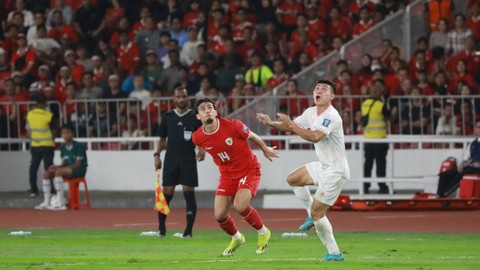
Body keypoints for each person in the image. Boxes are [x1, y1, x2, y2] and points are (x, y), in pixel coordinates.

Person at [256, 80, 349, 262]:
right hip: (323, 166)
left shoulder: (331, 116)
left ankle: (333, 250)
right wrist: (271, 123)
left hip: (336, 172)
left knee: (318, 214)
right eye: (316, 88)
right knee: (293, 179)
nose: (319, 91)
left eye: (324, 89)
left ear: (332, 96)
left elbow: (315, 137)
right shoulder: (310, 112)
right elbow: (290, 126)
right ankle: (312, 218)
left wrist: (291, 125)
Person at [192, 98, 278, 256]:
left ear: (216, 112)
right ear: (199, 116)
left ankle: (263, 232)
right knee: (219, 215)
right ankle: (237, 238)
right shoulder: (197, 137)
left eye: (210, 107)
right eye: (203, 109)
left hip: (248, 169)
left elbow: (252, 136)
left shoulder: (233, 125)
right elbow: (204, 144)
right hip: (227, 174)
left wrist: (265, 148)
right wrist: (202, 151)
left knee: (240, 205)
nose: (207, 110)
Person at [154, 88, 205, 238]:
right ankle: (161, 229)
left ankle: (188, 232)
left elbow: (201, 136)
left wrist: (202, 150)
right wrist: (157, 155)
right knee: (167, 193)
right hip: (171, 158)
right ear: (174, 99)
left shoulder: (195, 117)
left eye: (184, 96)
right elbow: (162, 139)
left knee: (188, 193)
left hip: (188, 158)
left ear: (188, 98)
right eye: (179, 97)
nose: (181, 99)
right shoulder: (168, 116)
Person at [35, 124, 88, 210]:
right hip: (67, 169)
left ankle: (60, 202)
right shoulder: (63, 146)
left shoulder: (78, 146)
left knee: (58, 172)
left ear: (72, 134)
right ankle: (46, 201)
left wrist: (59, 169)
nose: (65, 135)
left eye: (68, 133)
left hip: (79, 170)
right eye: (63, 133)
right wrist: (55, 166)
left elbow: (77, 164)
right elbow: (64, 164)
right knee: (46, 173)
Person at [361, 80, 391, 194]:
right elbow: (389, 117)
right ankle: (382, 186)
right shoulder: (380, 105)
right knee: (381, 164)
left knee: (368, 164)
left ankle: (365, 186)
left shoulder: (364, 104)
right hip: (380, 139)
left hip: (368, 140)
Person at [437, 120, 480, 197]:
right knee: (444, 175)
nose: (479, 130)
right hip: (470, 167)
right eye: (478, 127)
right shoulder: (473, 143)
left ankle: (443, 194)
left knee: (461, 174)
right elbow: (466, 158)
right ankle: (439, 194)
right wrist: (461, 164)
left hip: (477, 169)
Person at [26, 94, 56, 197]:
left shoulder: (30, 115)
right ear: (44, 103)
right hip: (47, 145)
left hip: (35, 145)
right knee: (49, 168)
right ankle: (51, 189)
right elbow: (54, 131)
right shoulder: (49, 115)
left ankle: (33, 190)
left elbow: (29, 131)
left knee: (33, 168)